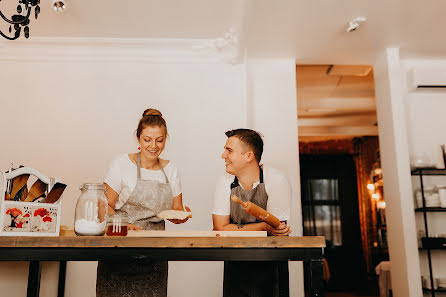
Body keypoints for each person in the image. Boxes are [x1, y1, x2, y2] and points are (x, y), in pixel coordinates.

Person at [96, 108, 190, 297]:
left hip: (155, 255)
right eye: (147, 139)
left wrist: (182, 215)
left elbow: (177, 209)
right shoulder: (122, 164)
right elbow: (103, 206)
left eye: (159, 140)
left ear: (166, 139)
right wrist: (122, 225)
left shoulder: (170, 169)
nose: (153, 146)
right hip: (120, 251)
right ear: (138, 138)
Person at [212, 128, 291, 297]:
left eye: (229, 150)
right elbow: (219, 229)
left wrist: (233, 229)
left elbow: (278, 231)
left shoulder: (276, 179)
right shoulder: (225, 181)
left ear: (249, 156)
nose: (223, 155)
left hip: (271, 264)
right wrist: (264, 226)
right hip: (236, 263)